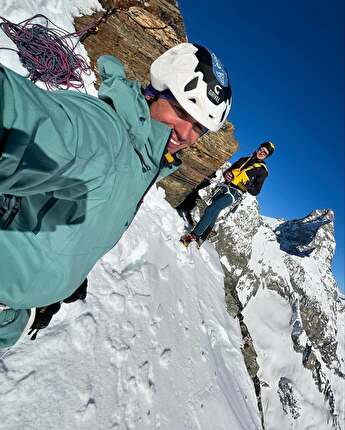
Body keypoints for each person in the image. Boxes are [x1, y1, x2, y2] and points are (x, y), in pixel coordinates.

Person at [0, 42, 232, 348]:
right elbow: (22, 120)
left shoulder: (144, 160)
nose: (186, 134)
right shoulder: (102, 134)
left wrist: (65, 276)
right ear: (156, 92)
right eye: (181, 111)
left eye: (199, 127)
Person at [180, 141, 275, 246]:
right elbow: (227, 171)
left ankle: (193, 237)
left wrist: (245, 184)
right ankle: (202, 239)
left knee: (211, 209)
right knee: (214, 212)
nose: (262, 152)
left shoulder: (262, 170)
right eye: (262, 149)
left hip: (235, 193)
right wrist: (227, 174)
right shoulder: (243, 159)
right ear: (259, 147)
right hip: (223, 187)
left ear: (267, 156)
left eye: (265, 153)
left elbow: (256, 191)